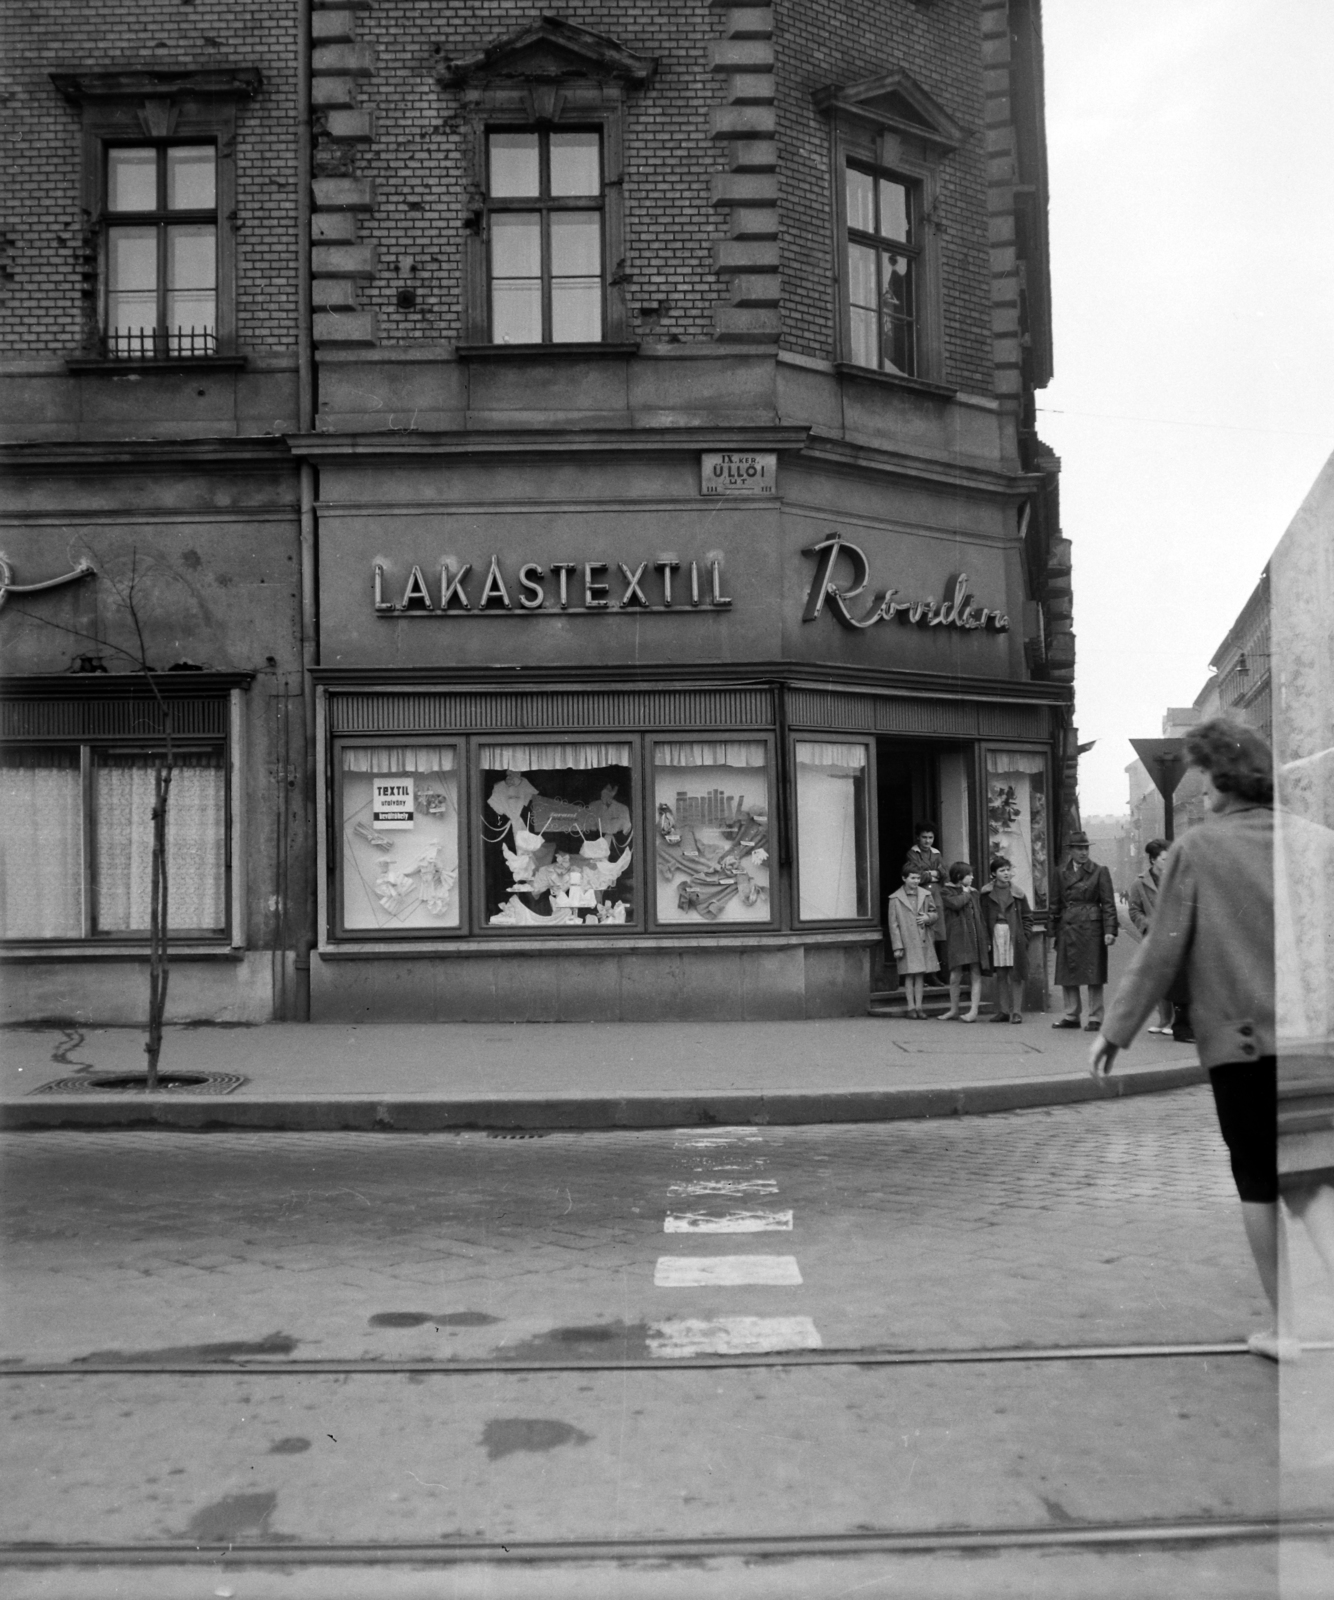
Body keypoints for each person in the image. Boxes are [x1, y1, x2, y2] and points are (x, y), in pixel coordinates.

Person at [1089, 717, 1334, 1361]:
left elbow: (1161, 952)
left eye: (1202, 775)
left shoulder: (1196, 851)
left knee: (1257, 1179)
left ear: (1223, 779)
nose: (1198, 789)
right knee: (1311, 1177)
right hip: (1316, 1041)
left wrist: (1117, 1031)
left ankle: (1287, 1329)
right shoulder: (1318, 844)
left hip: (1243, 1046)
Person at [1050, 829, 1117, 1031]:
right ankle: (1071, 1015)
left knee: (1093, 972)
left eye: (1086, 848)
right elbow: (1055, 903)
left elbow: (1108, 903)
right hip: (1068, 926)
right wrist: (1052, 931)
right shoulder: (1060, 873)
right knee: (1068, 972)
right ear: (1070, 850)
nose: (1083, 853)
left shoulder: (1099, 871)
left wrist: (1110, 930)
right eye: (1079, 849)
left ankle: (1095, 1017)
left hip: (1092, 928)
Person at [1126, 838, 1174, 1034]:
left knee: (1176, 979)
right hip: (1153, 937)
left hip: (1175, 935)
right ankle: (1163, 1020)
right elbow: (1134, 909)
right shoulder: (1139, 883)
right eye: (1164, 859)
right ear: (1153, 860)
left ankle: (1176, 1022)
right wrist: (1146, 925)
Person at [980, 855, 1032, 1023]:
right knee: (1001, 973)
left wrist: (1025, 936)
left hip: (1014, 933)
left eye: (1008, 870)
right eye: (1002, 870)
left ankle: (1016, 1011)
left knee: (1015, 973)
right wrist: (986, 939)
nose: (1006, 873)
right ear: (994, 874)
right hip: (996, 932)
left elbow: (1027, 916)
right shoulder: (986, 893)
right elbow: (982, 916)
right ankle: (1003, 1010)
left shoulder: (1018, 893)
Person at [937, 861, 989, 1022]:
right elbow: (955, 903)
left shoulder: (974, 893)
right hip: (958, 938)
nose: (972, 877)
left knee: (975, 972)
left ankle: (973, 1011)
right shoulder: (946, 891)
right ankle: (954, 1009)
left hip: (975, 936)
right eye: (969, 875)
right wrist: (966, 893)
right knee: (955, 974)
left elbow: (980, 916)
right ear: (960, 876)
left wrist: (986, 938)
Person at [888, 864, 939, 1019]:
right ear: (904, 878)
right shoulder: (895, 899)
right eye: (913, 878)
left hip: (922, 938)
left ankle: (919, 1007)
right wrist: (897, 946)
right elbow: (893, 925)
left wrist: (928, 918)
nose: (916, 881)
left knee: (920, 975)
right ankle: (910, 1006)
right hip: (906, 940)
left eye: (918, 878)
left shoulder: (925, 894)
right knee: (909, 974)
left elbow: (934, 912)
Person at [904, 823, 948, 971]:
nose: (927, 841)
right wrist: (934, 873)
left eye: (930, 837)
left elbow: (945, 873)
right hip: (920, 894)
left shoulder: (936, 853)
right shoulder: (912, 853)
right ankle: (927, 972)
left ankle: (939, 970)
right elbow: (917, 874)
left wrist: (930, 873)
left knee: (938, 932)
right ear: (918, 837)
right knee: (924, 932)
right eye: (924, 837)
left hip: (936, 895)